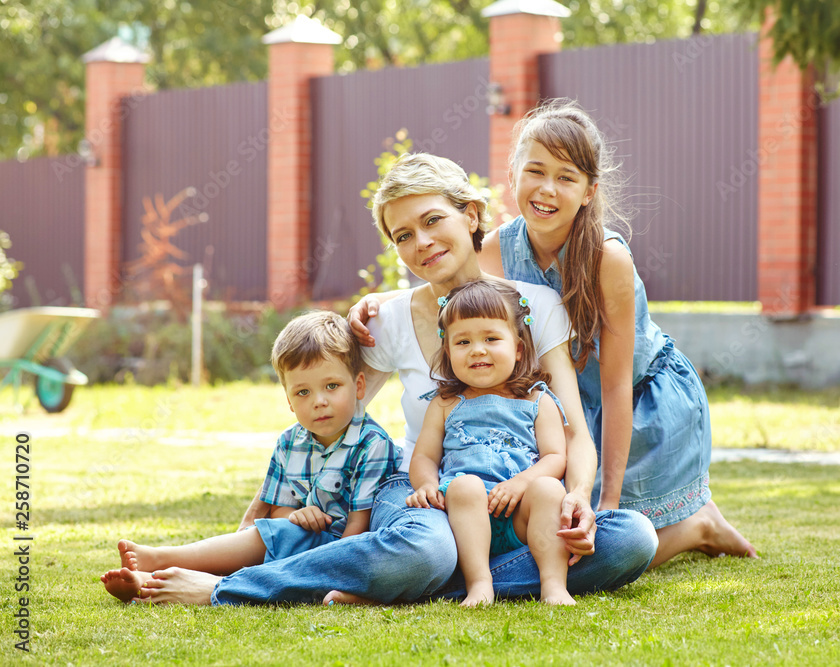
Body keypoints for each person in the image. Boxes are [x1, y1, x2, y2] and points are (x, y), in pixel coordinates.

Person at [121, 152, 655, 607]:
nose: (421, 242)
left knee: (632, 537)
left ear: (471, 215)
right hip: (423, 496)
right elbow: (331, 418)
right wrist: (269, 501)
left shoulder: (533, 305)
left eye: (432, 221)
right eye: (403, 235)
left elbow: (574, 432)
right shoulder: (387, 319)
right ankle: (230, 586)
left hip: (519, 497)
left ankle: (419, 585)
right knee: (425, 550)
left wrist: (579, 496)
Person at [476, 99, 757, 566]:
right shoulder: (495, 253)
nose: (547, 189)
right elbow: (442, 297)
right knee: (545, 536)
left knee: (599, 547)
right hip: (567, 415)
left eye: (566, 177)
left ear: (588, 191)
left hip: (642, 403)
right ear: (512, 175)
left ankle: (698, 526)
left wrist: (606, 502)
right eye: (535, 171)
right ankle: (697, 521)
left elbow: (615, 383)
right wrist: (376, 303)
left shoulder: (608, 259)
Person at [100, 311, 401, 603]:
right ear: (289, 401)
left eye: (331, 386)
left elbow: (357, 531)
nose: (319, 401)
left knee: (268, 538)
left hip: (344, 555)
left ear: (359, 386)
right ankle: (150, 580)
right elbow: (278, 511)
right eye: (303, 392)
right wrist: (298, 516)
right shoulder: (289, 443)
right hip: (296, 541)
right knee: (271, 534)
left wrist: (292, 529)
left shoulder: (371, 443)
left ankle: (162, 559)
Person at [406, 279, 574, 607]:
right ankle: (480, 583)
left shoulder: (538, 400)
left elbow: (555, 456)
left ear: (518, 348)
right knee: (465, 486)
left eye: (491, 338)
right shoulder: (445, 403)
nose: (477, 349)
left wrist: (521, 484)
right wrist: (425, 485)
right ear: (448, 351)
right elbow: (424, 456)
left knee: (550, 490)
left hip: (521, 516)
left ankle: (554, 585)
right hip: (463, 516)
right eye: (463, 341)